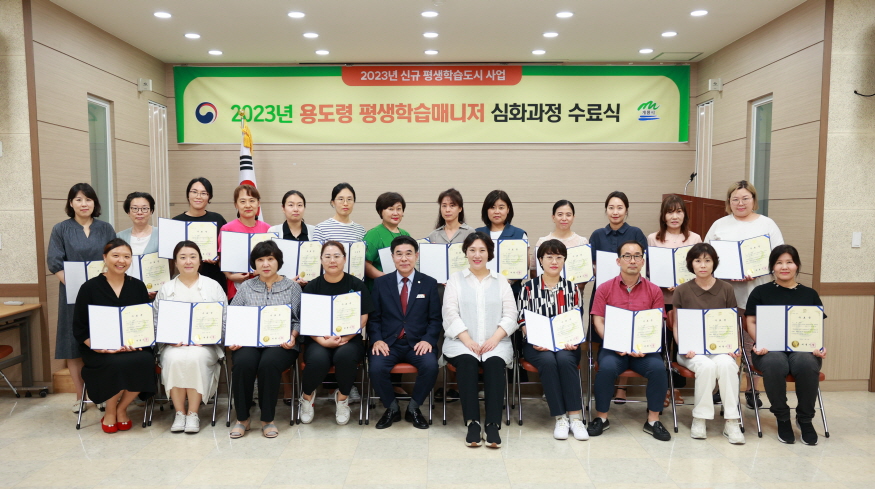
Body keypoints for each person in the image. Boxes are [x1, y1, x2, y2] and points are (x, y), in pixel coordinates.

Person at [705, 180, 784, 409]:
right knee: (724, 341)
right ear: (729, 202)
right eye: (735, 199)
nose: (740, 203)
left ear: (753, 200)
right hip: (723, 294)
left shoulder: (767, 224)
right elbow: (704, 255)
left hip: (757, 293)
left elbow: (779, 257)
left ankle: (752, 389)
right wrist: (727, 273)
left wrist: (758, 271)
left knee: (753, 343)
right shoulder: (719, 225)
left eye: (745, 198)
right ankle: (720, 388)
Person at [588, 240, 671, 441]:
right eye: (627, 256)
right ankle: (602, 418)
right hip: (613, 348)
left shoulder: (654, 290)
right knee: (606, 369)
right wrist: (614, 342)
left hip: (644, 351)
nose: (632, 260)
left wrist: (645, 346)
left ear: (643, 261)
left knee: (658, 369)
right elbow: (598, 320)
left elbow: (657, 322)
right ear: (618, 261)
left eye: (637, 256)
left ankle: (653, 420)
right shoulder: (604, 288)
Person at [442, 231, 518, 448]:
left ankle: (493, 424)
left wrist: (494, 339)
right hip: (461, 342)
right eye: (472, 250)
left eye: (482, 250)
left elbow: (511, 314)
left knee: (494, 364)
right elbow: (450, 313)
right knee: (467, 362)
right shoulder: (455, 280)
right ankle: (472, 423)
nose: (477, 255)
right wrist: (467, 340)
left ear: (489, 253)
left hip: (496, 342)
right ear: (466, 252)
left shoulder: (501, 281)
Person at [71, 238, 155, 433]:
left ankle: (121, 408)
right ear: (105, 257)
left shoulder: (138, 286)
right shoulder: (89, 288)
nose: (121, 261)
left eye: (126, 256)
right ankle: (110, 410)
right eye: (116, 255)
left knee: (144, 360)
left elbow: (145, 322)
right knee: (113, 363)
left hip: (133, 346)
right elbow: (79, 327)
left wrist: (139, 342)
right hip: (99, 348)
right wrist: (98, 346)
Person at [745, 244, 826, 446]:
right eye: (779, 262)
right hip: (768, 349)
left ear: (797, 265)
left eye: (789, 262)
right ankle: (782, 418)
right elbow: (751, 321)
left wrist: (819, 346)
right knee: (774, 362)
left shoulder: (810, 294)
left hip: (803, 349)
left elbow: (816, 326)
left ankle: (805, 419)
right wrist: (761, 341)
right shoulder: (760, 292)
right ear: (772, 267)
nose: (784, 267)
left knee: (807, 362)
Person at [47, 183, 117, 413]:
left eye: (88, 199)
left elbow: (115, 258)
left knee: (103, 341)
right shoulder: (61, 229)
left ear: (95, 203)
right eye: (78, 199)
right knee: (74, 344)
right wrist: (77, 286)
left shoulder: (106, 228)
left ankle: (104, 393)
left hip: (103, 294)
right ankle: (81, 396)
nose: (84, 204)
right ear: (71, 203)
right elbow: (55, 262)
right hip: (72, 295)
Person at [671, 243, 744, 444]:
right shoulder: (682, 290)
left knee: (728, 365)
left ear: (714, 263)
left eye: (707, 260)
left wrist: (734, 346)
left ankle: (732, 421)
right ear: (691, 264)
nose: (702, 265)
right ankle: (700, 418)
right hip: (691, 351)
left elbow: (732, 321)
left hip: (719, 349)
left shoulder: (726, 289)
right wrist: (684, 346)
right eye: (698, 261)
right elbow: (677, 324)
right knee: (706, 366)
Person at [228, 240, 301, 439]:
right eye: (260, 260)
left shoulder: (292, 287)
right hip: (249, 342)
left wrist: (293, 336)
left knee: (269, 364)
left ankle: (267, 420)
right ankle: (242, 419)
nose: (266, 264)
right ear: (255, 263)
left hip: (281, 343)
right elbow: (233, 316)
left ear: (278, 262)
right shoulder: (246, 287)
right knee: (243, 363)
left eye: (270, 259)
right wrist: (234, 338)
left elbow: (298, 320)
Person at [516, 239, 588, 441]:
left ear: (564, 260)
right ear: (540, 260)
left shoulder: (572, 288)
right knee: (548, 361)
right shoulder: (528, 288)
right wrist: (534, 338)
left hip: (566, 343)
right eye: (549, 257)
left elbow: (576, 319)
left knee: (565, 359)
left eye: (559, 257)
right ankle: (560, 418)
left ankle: (575, 418)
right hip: (536, 343)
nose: (554, 261)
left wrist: (574, 340)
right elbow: (522, 319)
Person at [153, 241, 227, 434]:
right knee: (173, 358)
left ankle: (193, 413)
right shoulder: (166, 289)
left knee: (195, 358)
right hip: (173, 344)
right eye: (183, 257)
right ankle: (180, 412)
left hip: (205, 345)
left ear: (200, 261)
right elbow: (156, 321)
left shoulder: (213, 286)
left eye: (193, 257)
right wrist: (169, 339)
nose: (188, 261)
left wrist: (209, 338)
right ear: (175, 262)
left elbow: (224, 319)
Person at [368, 236, 441, 429]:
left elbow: (435, 319)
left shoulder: (429, 283)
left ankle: (413, 408)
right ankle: (392, 408)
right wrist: (377, 340)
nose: (404, 258)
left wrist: (428, 340)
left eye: (408, 253)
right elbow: (374, 318)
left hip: (417, 343)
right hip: (389, 343)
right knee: (376, 368)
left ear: (416, 256)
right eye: (399, 254)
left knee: (430, 366)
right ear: (392, 257)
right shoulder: (381, 283)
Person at [298, 241, 374, 425]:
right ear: (321, 260)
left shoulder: (356, 284)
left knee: (345, 357)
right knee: (318, 360)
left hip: (350, 339)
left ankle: (342, 399)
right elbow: (307, 320)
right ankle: (307, 397)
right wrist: (322, 341)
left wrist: (345, 338)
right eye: (328, 256)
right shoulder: (312, 286)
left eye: (337, 256)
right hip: (318, 339)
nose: (332, 260)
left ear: (345, 259)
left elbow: (364, 317)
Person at [588, 191, 648, 404]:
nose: (615, 212)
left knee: (629, 332)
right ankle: (603, 382)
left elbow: (644, 261)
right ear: (606, 210)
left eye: (620, 207)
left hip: (631, 292)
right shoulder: (597, 235)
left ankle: (622, 387)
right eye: (611, 208)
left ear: (626, 210)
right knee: (600, 334)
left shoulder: (636, 232)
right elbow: (590, 264)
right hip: (604, 292)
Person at [309, 183, 366, 404]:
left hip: (350, 289)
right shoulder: (321, 228)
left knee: (347, 347)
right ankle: (329, 388)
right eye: (341, 199)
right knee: (323, 344)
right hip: (326, 290)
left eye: (350, 199)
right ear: (332, 202)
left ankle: (346, 388)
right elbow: (315, 260)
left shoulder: (360, 230)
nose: (345, 203)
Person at [648, 194, 702, 408]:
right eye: (670, 212)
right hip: (660, 299)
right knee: (662, 344)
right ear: (663, 215)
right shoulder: (653, 238)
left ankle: (676, 388)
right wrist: (662, 282)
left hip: (686, 300)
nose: (674, 216)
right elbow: (647, 270)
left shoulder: (695, 239)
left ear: (684, 215)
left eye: (679, 211)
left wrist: (682, 283)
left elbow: (701, 268)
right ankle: (662, 388)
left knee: (681, 344)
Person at [425, 188, 473, 403]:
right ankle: (441, 384)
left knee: (459, 333)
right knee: (439, 336)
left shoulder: (470, 233)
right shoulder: (434, 235)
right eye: (444, 205)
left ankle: (457, 385)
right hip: (438, 292)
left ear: (460, 208)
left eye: (452, 205)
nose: (447, 209)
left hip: (463, 292)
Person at [172, 177, 228, 293]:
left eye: (203, 193)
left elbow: (227, 250)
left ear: (209, 197)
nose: (198, 196)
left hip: (213, 277)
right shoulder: (176, 222)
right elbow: (171, 256)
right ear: (188, 195)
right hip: (185, 280)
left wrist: (218, 259)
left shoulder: (217, 219)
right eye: (194, 192)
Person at [220, 184, 271, 300]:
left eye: (252, 201)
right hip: (236, 289)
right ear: (236, 205)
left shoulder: (268, 229)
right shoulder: (227, 229)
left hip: (264, 287)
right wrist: (230, 276)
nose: (248, 205)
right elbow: (221, 259)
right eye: (242, 201)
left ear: (258, 203)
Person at [475, 190, 528, 298]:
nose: (497, 211)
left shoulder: (519, 234)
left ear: (508, 209)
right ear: (486, 210)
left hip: (511, 292)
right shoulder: (477, 234)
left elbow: (524, 266)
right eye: (492, 207)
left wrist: (510, 280)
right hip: (480, 292)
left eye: (501, 207)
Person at [364, 192, 411, 289]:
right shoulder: (373, 234)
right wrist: (385, 278)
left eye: (399, 209)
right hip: (381, 287)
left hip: (402, 287)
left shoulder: (405, 234)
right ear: (380, 211)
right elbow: (365, 264)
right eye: (391, 209)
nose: (395, 213)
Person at [530, 200, 589, 270]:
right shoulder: (542, 242)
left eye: (568, 215)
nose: (564, 219)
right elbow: (534, 270)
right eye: (560, 214)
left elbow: (586, 271)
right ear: (553, 217)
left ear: (573, 218)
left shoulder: (582, 242)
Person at [117, 191, 159, 256]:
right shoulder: (120, 237)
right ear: (128, 212)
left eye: (144, 208)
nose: (139, 212)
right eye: (135, 208)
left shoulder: (161, 234)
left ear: (151, 211)